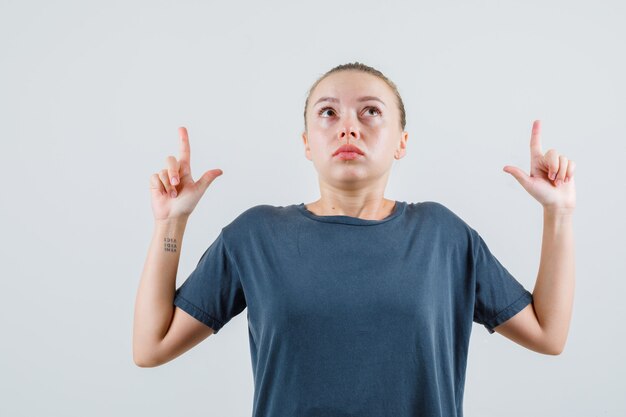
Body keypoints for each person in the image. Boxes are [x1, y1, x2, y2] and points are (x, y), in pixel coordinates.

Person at [133, 62, 576, 416]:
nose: (348, 127)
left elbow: (547, 333)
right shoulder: (255, 237)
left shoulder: (444, 236)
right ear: (307, 142)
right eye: (328, 112)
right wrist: (170, 224)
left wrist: (558, 213)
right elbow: (151, 346)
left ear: (401, 141)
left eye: (371, 111)